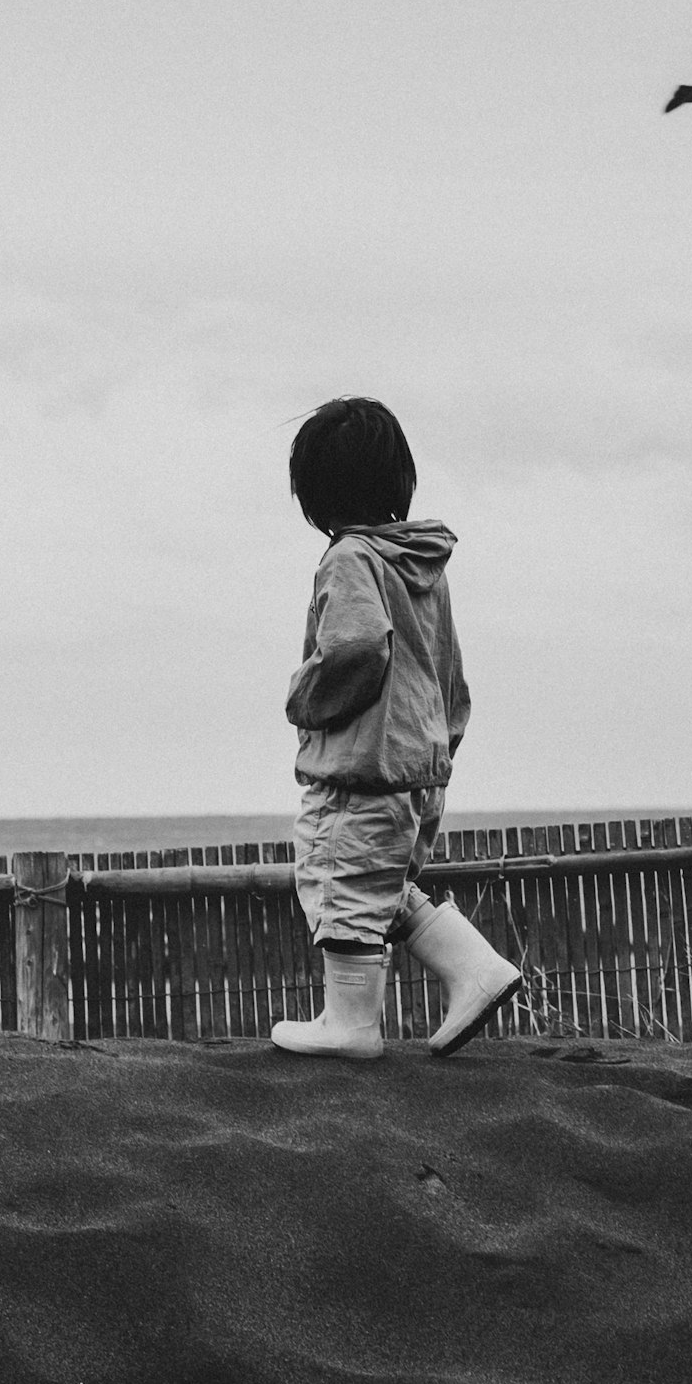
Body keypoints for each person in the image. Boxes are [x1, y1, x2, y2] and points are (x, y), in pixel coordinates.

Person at [269, 398, 521, 1060]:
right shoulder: (420, 569)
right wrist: (437, 752)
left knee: (338, 876)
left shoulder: (349, 558)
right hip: (420, 770)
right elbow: (449, 677)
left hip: (364, 769)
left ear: (314, 493)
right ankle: (475, 967)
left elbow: (355, 649)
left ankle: (350, 1024)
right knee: (380, 883)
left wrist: (305, 697)